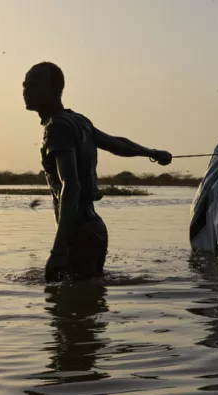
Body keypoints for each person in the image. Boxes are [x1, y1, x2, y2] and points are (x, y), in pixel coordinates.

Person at [22, 61, 173, 282]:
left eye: (34, 85)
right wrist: (152, 152)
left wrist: (58, 250)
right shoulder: (78, 120)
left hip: (78, 233)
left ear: (54, 90)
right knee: (88, 300)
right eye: (25, 85)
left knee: (72, 309)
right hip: (94, 228)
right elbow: (115, 143)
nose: (26, 91)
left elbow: (71, 186)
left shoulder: (58, 127)